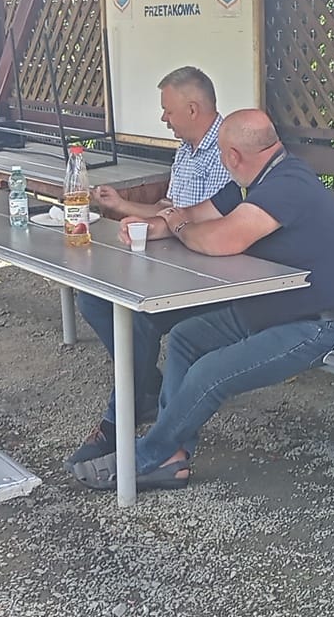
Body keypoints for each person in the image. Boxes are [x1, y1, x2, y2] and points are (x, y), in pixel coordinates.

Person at [70, 109, 334, 492]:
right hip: (269, 309)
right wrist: (152, 228)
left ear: (233, 156)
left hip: (319, 324)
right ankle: (171, 456)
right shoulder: (256, 179)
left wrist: (177, 225)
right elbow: (195, 215)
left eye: (223, 155)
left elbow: (218, 239)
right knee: (186, 338)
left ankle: (144, 458)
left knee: (209, 373)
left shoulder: (289, 184)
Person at [66, 66, 234, 467]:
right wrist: (121, 205)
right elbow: (170, 211)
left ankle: (117, 420)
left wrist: (164, 226)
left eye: (168, 111)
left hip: (211, 271)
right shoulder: (187, 148)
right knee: (93, 297)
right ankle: (143, 385)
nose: (163, 118)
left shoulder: (228, 150)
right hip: (174, 255)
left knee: (136, 315)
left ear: (192, 109)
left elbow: (213, 220)